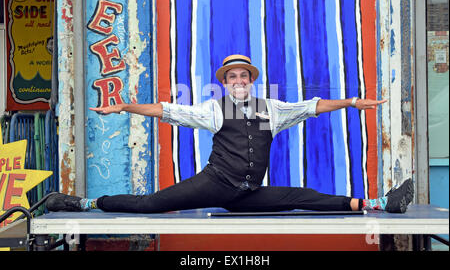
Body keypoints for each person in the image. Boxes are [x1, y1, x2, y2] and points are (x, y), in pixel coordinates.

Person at [46, 54, 414, 214]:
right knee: (152, 205)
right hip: (215, 184)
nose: (238, 81)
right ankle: (81, 204)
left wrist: (351, 102)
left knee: (301, 196)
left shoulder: (273, 109)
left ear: (252, 81)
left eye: (244, 76)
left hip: (247, 194)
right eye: (231, 77)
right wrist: (124, 107)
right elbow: (165, 110)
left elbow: (312, 106)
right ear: (224, 83)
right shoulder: (212, 110)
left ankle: (379, 204)